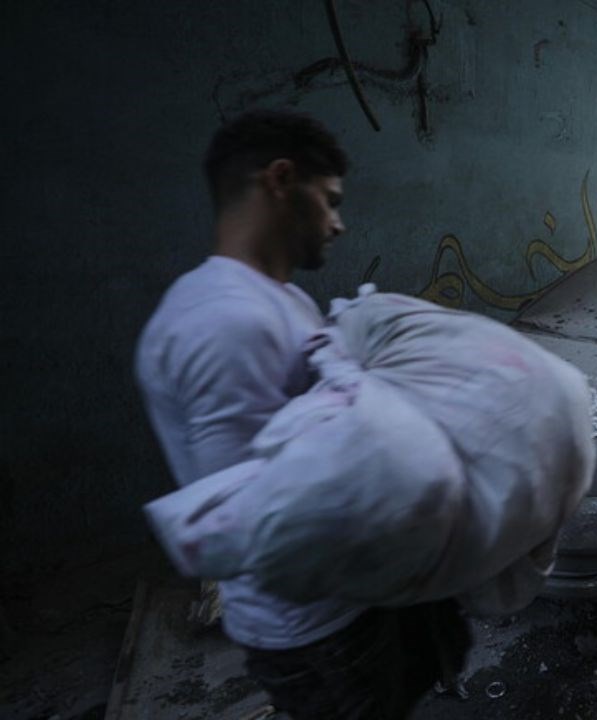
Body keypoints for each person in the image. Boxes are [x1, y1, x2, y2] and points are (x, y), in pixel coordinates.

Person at [135, 111, 464, 718]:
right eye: (331, 200)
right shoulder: (224, 322)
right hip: (317, 629)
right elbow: (259, 521)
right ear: (281, 179)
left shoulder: (280, 300)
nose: (338, 223)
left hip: (346, 604)